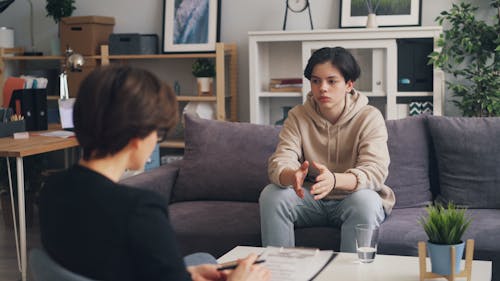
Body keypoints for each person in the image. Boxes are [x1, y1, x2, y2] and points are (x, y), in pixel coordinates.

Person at [39, 65, 270, 281]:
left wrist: (186, 274)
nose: (155, 141)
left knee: (202, 261)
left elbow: (104, 265)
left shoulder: (52, 189)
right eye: (157, 132)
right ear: (136, 137)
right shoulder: (139, 209)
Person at [259, 47, 395, 253]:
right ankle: (279, 272)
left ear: (349, 85)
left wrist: (334, 180)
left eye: (332, 81)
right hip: (310, 198)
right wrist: (291, 175)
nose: (322, 88)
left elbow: (375, 170)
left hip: (353, 197)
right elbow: (282, 159)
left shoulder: (370, 117)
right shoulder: (298, 115)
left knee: (367, 201)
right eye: (316, 81)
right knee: (272, 195)